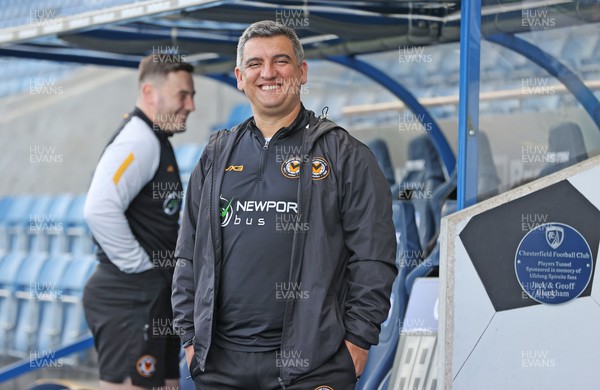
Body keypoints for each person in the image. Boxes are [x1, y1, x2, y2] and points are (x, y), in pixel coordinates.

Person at [172, 20, 397, 390]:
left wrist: (358, 340)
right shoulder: (215, 155)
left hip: (313, 366)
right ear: (240, 77)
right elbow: (187, 254)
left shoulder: (346, 156)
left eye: (281, 61)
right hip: (221, 365)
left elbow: (374, 255)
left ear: (302, 72)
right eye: (255, 64)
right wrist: (188, 337)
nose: (268, 73)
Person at [83, 54, 195, 390]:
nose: (190, 105)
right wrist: (142, 270)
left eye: (192, 96)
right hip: (130, 298)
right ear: (150, 94)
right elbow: (98, 209)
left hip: (152, 298)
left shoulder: (157, 138)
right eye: (182, 95)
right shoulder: (138, 140)